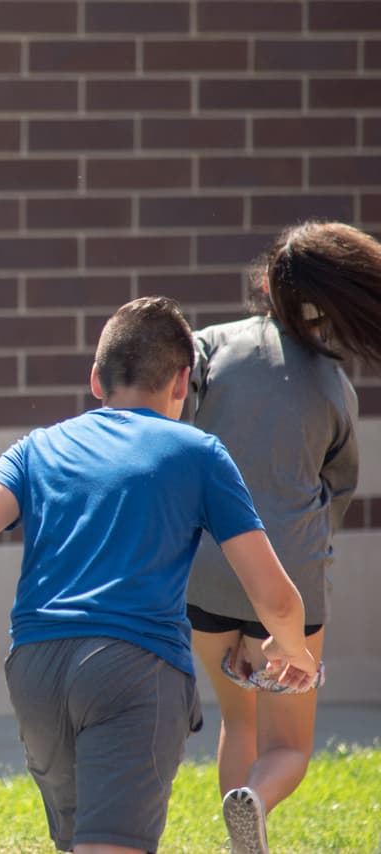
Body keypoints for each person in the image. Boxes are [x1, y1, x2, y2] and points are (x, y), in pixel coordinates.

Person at [0, 296, 319, 854]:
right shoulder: (200, 453)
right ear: (182, 382)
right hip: (134, 667)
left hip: (36, 669)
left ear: (96, 379)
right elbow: (276, 600)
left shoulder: (36, 448)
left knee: (79, 841)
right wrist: (293, 650)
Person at [186, 221, 378, 854]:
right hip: (291, 580)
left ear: (266, 285)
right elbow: (336, 490)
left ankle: (237, 831)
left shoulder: (210, 347)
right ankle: (256, 800)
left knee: (237, 720)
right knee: (288, 745)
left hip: (207, 571)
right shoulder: (333, 384)